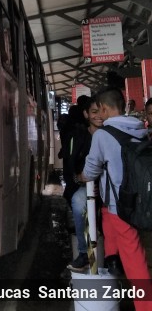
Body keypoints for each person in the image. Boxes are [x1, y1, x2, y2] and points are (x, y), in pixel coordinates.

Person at [78, 88, 152, 310]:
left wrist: (81, 176)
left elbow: (91, 169)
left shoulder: (103, 134)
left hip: (120, 203)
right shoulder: (139, 128)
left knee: (134, 257)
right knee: (106, 218)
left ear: (104, 108)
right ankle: (112, 259)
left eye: (99, 109)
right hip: (137, 197)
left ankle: (145, 305)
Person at [65, 97, 103, 271]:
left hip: (110, 187)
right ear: (86, 114)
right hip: (85, 187)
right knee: (80, 203)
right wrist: (80, 179)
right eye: (94, 112)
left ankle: (114, 257)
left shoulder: (112, 135)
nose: (99, 116)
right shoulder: (79, 137)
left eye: (102, 111)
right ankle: (84, 253)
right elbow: (71, 167)